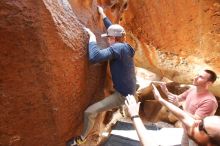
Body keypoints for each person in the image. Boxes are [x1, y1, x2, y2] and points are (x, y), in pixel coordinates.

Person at [66, 6, 136, 146]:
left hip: (122, 95)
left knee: (89, 112)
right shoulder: (124, 45)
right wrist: (103, 14)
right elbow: (113, 29)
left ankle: (81, 139)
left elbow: (94, 57)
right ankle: (117, 108)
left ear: (114, 39)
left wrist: (92, 38)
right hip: (129, 89)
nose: (108, 40)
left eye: (109, 38)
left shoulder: (116, 48)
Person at [125, 85, 220, 146]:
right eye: (202, 120)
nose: (196, 121)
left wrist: (134, 115)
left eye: (201, 126)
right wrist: (160, 99)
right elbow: (184, 116)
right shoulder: (201, 135)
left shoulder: (209, 101)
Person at [159, 70, 218, 146]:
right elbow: (178, 98)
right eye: (197, 74)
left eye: (200, 77)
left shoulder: (209, 101)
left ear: (209, 83)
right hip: (187, 129)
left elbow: (196, 120)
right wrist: (166, 91)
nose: (195, 77)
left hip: (198, 135)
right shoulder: (193, 89)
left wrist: (179, 106)